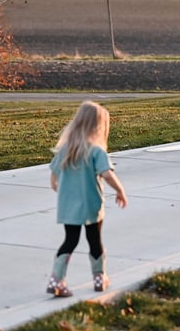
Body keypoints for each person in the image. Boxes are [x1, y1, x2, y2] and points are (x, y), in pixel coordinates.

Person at [46, 101, 128, 297]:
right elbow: (107, 174)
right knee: (94, 240)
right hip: (91, 205)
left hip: (68, 207)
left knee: (70, 240)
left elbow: (53, 177)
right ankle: (99, 278)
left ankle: (56, 279)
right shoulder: (96, 151)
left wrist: (61, 190)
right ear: (97, 126)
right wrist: (120, 190)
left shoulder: (66, 150)